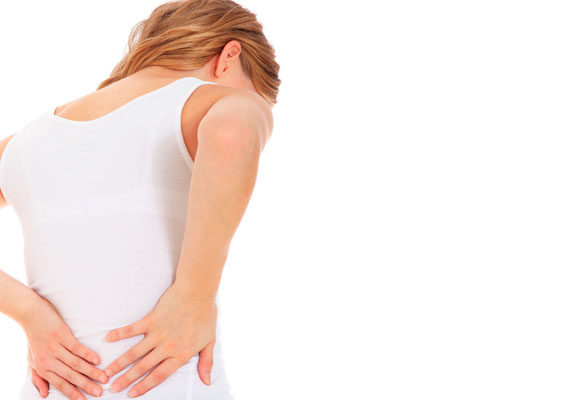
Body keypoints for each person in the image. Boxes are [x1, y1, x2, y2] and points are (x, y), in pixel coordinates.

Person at [0, 0, 280, 399]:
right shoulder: (211, 101)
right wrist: (193, 298)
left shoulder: (26, 142)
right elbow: (232, 133)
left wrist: (28, 312)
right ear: (229, 57)